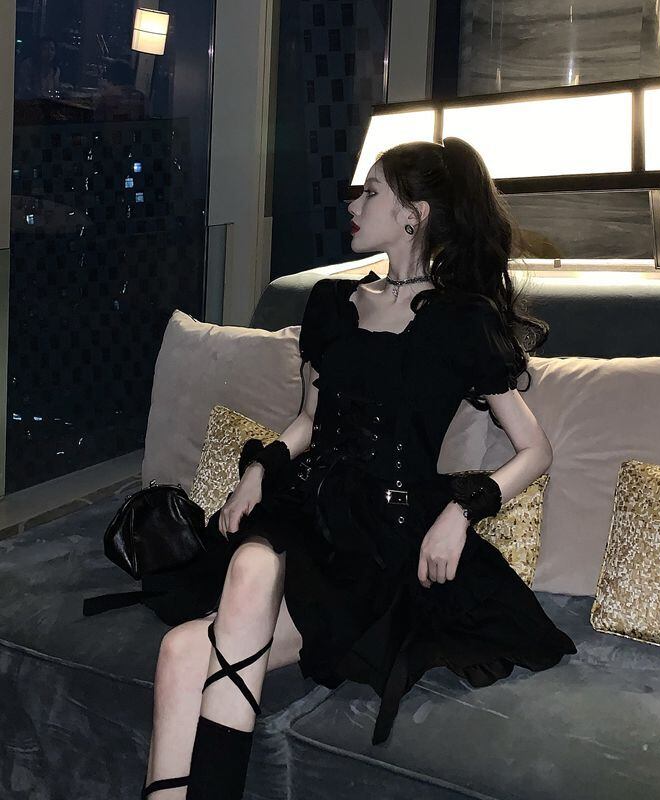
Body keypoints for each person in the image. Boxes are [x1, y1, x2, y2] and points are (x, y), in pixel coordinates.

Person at [141, 136, 577, 799]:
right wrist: (258, 471)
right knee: (227, 593)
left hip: (382, 540)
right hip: (305, 510)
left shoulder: (462, 321)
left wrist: (461, 511)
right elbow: (309, 420)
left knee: (184, 648)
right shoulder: (330, 302)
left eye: (371, 192)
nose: (353, 204)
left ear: (414, 215)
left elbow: (535, 449)